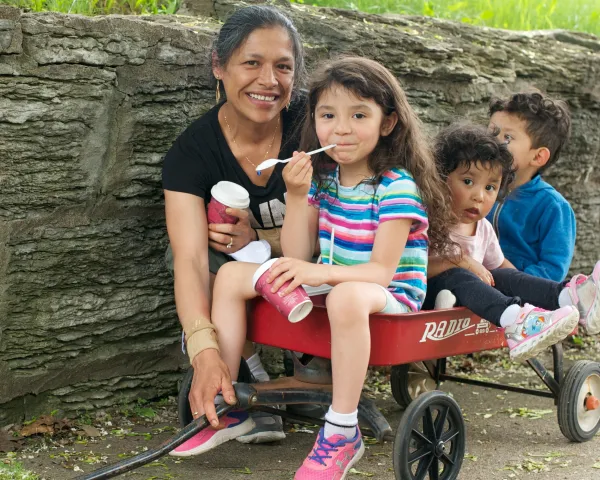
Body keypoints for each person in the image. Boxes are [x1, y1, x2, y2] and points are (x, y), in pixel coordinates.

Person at [169, 56, 455, 477]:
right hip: (335, 288)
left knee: (346, 295)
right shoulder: (325, 181)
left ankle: (342, 430)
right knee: (230, 275)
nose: (341, 128)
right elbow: (298, 255)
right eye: (328, 115)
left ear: (388, 123)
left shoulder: (396, 187)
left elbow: (380, 272)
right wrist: (298, 194)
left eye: (359, 115)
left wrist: (319, 274)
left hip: (387, 296)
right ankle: (231, 402)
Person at [162, 5, 306, 446]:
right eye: (251, 63)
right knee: (202, 248)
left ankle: (311, 371)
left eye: (283, 66)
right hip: (238, 284)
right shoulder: (192, 153)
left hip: (321, 269)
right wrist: (204, 352)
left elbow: (353, 220)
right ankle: (246, 373)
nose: (269, 81)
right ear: (218, 67)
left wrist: (262, 237)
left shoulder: (315, 126)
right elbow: (186, 259)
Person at [425, 125, 600, 362]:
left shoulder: (483, 228)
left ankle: (569, 298)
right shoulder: (427, 221)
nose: (480, 196)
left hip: (472, 302)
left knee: (504, 276)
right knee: (456, 275)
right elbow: (409, 268)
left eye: (490, 188)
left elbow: (503, 269)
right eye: (467, 181)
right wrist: (459, 260)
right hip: (427, 302)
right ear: (441, 178)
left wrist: (525, 289)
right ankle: (516, 322)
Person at [486, 92, 576, 282]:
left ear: (537, 157)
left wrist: (509, 281)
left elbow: (552, 271)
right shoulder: (477, 188)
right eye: (491, 132)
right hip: (472, 284)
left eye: (507, 137)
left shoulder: (553, 207)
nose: (493, 141)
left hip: (522, 300)